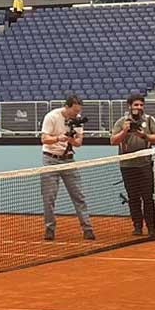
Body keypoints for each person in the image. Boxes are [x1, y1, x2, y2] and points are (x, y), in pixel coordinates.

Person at [39, 93, 95, 241]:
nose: (77, 114)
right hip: (50, 159)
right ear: (67, 107)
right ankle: (49, 229)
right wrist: (59, 138)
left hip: (69, 160)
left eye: (78, 111)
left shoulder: (77, 120)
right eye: (74, 111)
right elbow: (44, 139)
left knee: (78, 195)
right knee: (49, 197)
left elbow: (78, 143)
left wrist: (70, 138)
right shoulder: (51, 117)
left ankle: (87, 228)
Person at [109, 94, 155, 236]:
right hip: (127, 165)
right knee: (133, 197)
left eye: (141, 105)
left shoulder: (149, 120)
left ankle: (151, 227)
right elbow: (113, 141)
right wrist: (124, 131)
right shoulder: (122, 122)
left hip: (145, 164)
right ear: (130, 106)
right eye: (136, 105)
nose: (139, 108)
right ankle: (137, 226)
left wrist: (144, 136)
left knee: (148, 197)